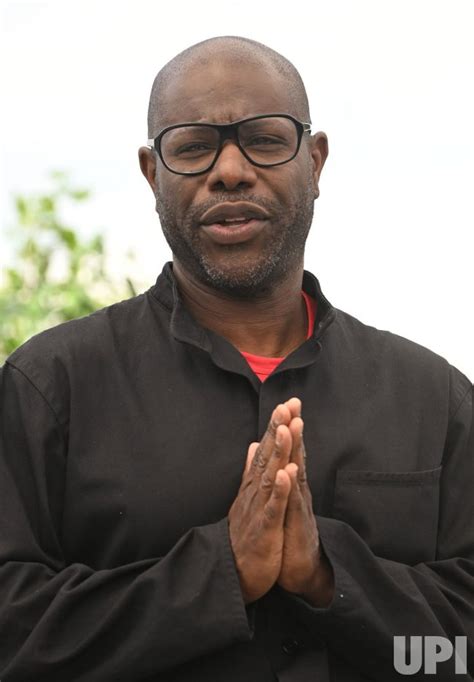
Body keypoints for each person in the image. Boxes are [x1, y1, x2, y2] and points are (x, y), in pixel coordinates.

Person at [0, 35, 472, 682]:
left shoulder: (436, 401)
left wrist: (329, 574)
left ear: (316, 160)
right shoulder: (47, 391)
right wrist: (216, 575)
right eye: (192, 146)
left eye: (266, 139)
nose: (230, 170)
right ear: (151, 172)